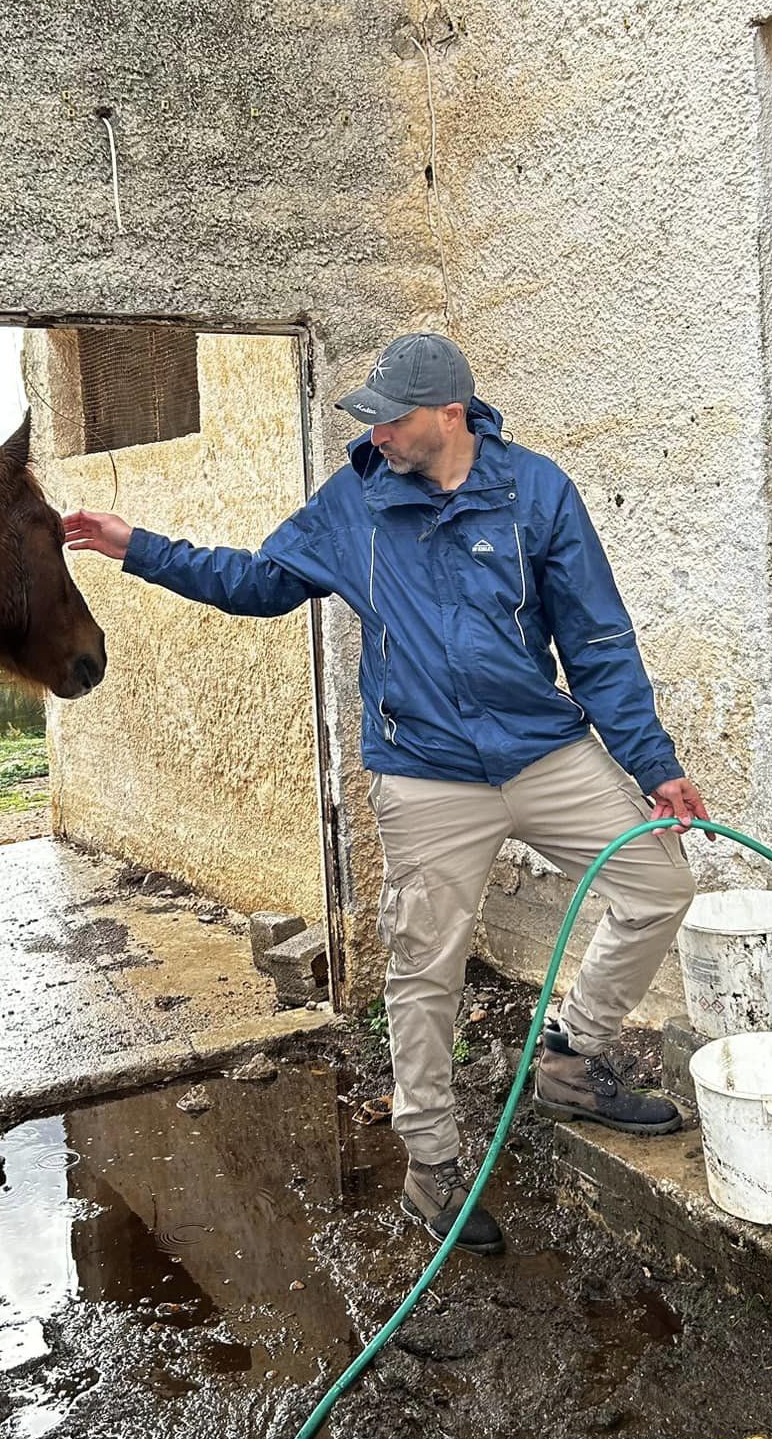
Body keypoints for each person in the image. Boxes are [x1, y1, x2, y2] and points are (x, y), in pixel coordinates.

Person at [64, 334, 707, 1255]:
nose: (376, 434)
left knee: (658, 884)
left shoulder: (535, 493)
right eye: (371, 420)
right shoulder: (354, 502)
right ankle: (432, 1167)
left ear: (450, 414)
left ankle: (571, 1061)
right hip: (425, 772)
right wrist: (139, 548)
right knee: (425, 969)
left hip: (543, 752)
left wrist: (653, 764)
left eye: (391, 419)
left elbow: (597, 641)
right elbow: (257, 583)